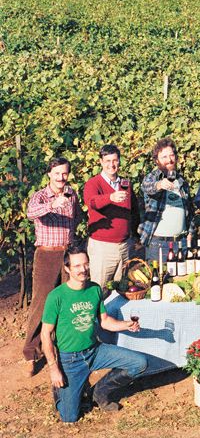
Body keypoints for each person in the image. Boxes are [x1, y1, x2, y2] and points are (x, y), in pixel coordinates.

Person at [41, 247, 150, 423]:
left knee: (139, 363)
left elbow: (105, 321)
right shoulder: (57, 296)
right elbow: (45, 334)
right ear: (67, 268)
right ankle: (62, 391)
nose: (83, 269)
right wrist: (54, 369)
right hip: (70, 359)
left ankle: (99, 392)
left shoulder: (94, 289)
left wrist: (126, 325)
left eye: (85, 264)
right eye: (77, 266)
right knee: (69, 417)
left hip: (95, 351)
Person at [23, 156, 82, 376]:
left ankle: (63, 350)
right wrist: (51, 205)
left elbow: (76, 218)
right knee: (41, 304)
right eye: (56, 173)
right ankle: (31, 353)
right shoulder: (40, 196)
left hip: (67, 253)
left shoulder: (72, 194)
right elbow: (30, 213)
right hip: (47, 255)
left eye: (64, 173)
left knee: (67, 303)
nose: (61, 177)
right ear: (49, 174)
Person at [83, 144, 139, 290]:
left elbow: (134, 211)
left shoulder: (125, 183)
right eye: (107, 161)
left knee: (122, 288)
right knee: (99, 288)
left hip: (124, 246)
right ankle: (96, 314)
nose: (111, 164)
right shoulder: (93, 183)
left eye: (114, 160)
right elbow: (92, 203)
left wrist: (134, 236)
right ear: (101, 162)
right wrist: (110, 197)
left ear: (119, 161)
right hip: (103, 247)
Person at [138, 138, 195, 261]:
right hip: (159, 245)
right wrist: (159, 185)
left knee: (182, 279)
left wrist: (190, 233)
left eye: (171, 155)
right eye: (164, 157)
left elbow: (190, 211)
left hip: (182, 243)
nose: (169, 160)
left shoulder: (182, 182)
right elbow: (147, 187)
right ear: (157, 160)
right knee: (158, 279)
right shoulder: (152, 177)